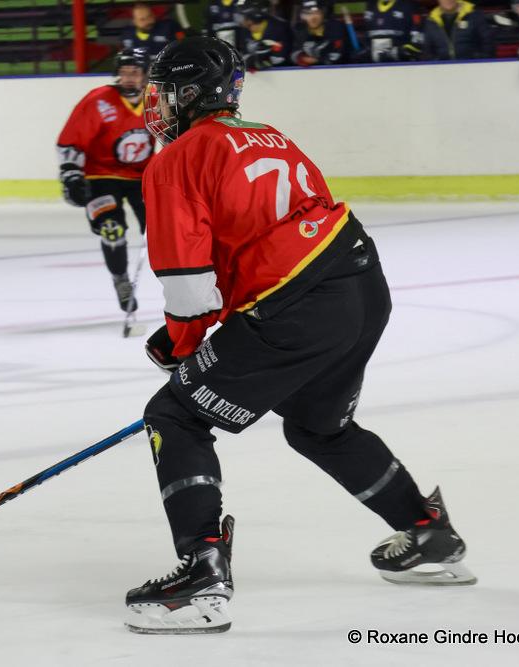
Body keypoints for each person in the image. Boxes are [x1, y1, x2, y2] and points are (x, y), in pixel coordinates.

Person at [125, 35, 475, 635]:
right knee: (318, 426)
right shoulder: (267, 134)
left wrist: (184, 348)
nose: (155, 104)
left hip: (301, 306)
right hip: (360, 282)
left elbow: (188, 286)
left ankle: (201, 578)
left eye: (163, 91)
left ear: (187, 92)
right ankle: (428, 533)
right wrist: (193, 337)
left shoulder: (176, 159)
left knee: (176, 415)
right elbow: (269, 242)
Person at [55, 49, 153, 313]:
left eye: (135, 72)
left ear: (145, 74)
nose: (128, 78)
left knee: (159, 231)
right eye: (124, 72)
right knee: (111, 228)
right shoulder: (98, 101)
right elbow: (71, 140)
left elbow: (175, 139)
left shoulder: (156, 100)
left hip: (142, 177)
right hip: (100, 175)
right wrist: (71, 174)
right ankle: (121, 279)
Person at [422, 0, 494, 60]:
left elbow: (488, 43)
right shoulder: (431, 20)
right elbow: (427, 50)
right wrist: (436, 65)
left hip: (472, 68)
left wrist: (479, 62)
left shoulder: (474, 15)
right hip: (443, 71)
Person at [237, 0, 295, 69]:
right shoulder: (243, 31)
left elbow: (282, 57)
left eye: (244, 16)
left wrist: (262, 60)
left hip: (282, 73)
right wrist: (250, 61)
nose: (241, 20)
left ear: (255, 15)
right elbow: (242, 55)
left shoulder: (280, 27)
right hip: (253, 76)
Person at [292, 0, 352, 66]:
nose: (313, 17)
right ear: (302, 16)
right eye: (308, 13)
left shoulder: (336, 28)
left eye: (316, 13)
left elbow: (337, 56)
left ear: (323, 14)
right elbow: (293, 53)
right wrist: (300, 57)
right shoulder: (299, 29)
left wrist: (317, 60)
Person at [120, 2, 185, 58]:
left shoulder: (170, 26)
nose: (147, 21)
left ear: (154, 15)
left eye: (149, 16)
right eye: (142, 19)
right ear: (134, 21)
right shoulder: (127, 35)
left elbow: (183, 43)